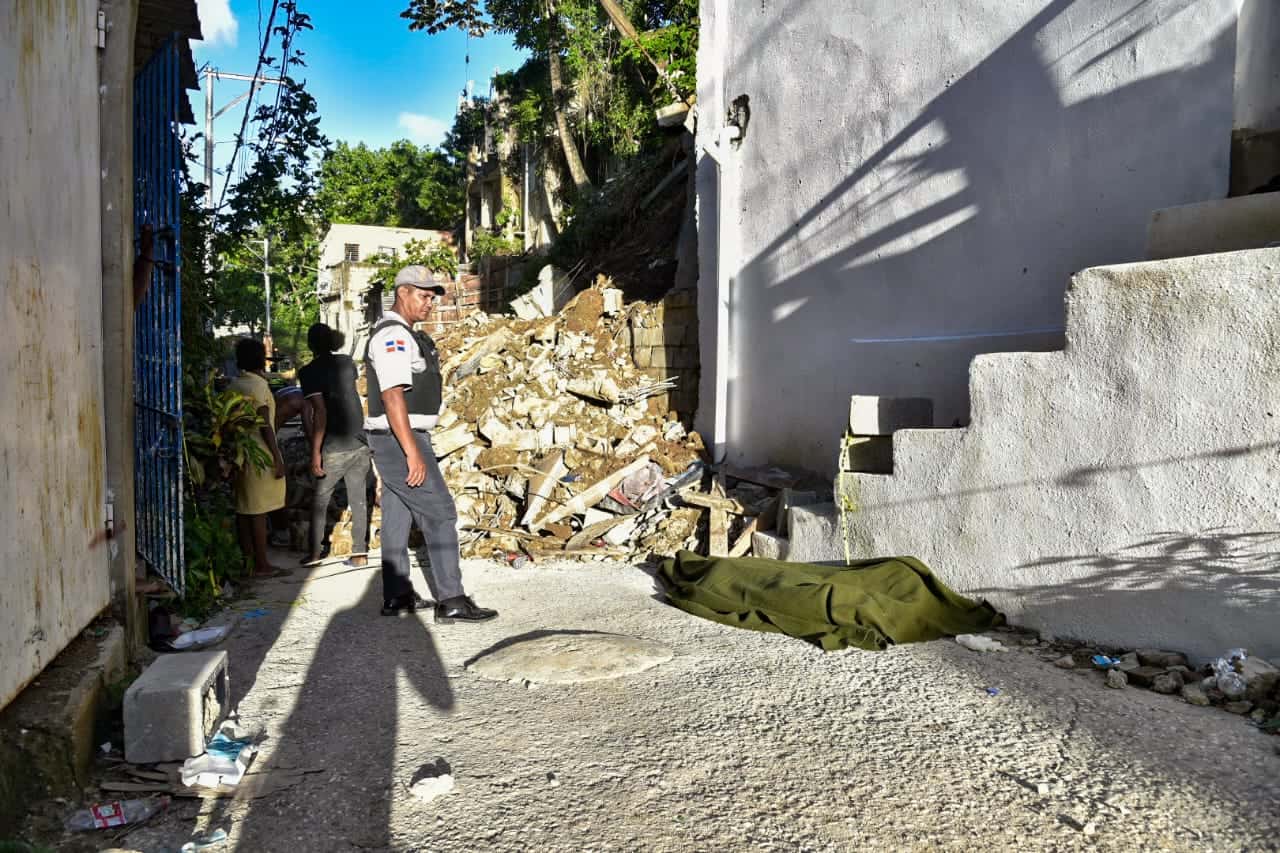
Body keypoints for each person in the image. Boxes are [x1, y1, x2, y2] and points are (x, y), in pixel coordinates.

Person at [365, 265, 497, 622]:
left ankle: (397, 596)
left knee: (397, 515)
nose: (430, 304)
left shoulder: (403, 333)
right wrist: (412, 452)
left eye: (432, 297)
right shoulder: (393, 336)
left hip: (393, 437)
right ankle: (452, 600)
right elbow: (392, 396)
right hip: (401, 438)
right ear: (402, 292)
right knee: (440, 514)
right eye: (423, 296)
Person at [299, 323, 372, 569]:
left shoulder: (308, 372)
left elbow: (320, 413)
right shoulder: (346, 362)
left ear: (310, 345)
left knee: (320, 501)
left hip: (334, 445)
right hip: (360, 440)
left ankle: (315, 553)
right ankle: (360, 553)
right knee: (359, 497)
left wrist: (315, 452)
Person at [228, 338, 289, 578]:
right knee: (259, 511)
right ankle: (263, 565)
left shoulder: (235, 385)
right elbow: (265, 424)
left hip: (240, 453)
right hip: (260, 454)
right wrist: (277, 457)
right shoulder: (259, 387)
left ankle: (249, 561)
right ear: (260, 359)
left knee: (244, 509)